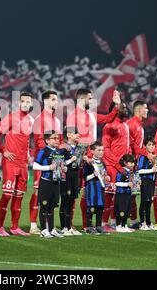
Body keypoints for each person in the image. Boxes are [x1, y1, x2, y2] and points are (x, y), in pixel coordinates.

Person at [66, 88, 121, 234]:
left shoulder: (90, 114)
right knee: (74, 193)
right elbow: (70, 138)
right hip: (79, 159)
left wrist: (116, 106)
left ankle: (87, 225)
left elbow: (108, 118)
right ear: (82, 99)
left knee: (89, 192)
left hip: (92, 159)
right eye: (90, 99)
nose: (92, 101)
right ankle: (69, 225)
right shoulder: (72, 116)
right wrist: (82, 156)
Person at [0, 92, 34, 237]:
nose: (25, 103)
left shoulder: (30, 119)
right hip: (10, 163)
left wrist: (28, 152)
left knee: (19, 196)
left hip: (23, 164)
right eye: (22, 101)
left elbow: (25, 139)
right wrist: (2, 150)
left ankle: (15, 227)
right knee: (7, 195)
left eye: (28, 101)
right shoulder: (12, 117)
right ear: (18, 103)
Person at [30, 90, 63, 235]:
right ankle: (33, 224)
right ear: (46, 101)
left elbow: (59, 141)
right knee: (39, 192)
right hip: (44, 160)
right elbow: (39, 141)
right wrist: (51, 155)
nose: (57, 102)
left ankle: (50, 226)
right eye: (54, 99)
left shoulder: (57, 120)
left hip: (55, 160)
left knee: (52, 196)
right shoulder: (39, 119)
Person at [101, 102, 131, 232]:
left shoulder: (125, 125)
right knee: (109, 196)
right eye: (123, 107)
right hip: (113, 167)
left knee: (118, 197)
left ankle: (114, 223)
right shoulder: (109, 126)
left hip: (123, 168)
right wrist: (118, 166)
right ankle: (103, 223)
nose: (126, 109)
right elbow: (106, 150)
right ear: (115, 109)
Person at [33, 130, 65, 238]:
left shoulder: (58, 152)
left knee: (52, 207)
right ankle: (43, 230)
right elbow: (35, 166)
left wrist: (63, 168)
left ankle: (51, 229)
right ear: (47, 140)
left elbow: (60, 166)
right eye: (54, 138)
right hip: (46, 182)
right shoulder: (43, 151)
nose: (57, 140)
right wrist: (48, 168)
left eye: (58, 138)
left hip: (56, 182)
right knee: (44, 206)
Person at [126, 101, 152, 229]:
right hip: (128, 164)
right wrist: (146, 154)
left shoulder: (139, 125)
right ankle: (116, 222)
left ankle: (133, 221)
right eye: (146, 108)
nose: (147, 110)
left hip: (134, 165)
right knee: (125, 193)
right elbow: (132, 147)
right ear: (139, 110)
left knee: (133, 193)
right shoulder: (131, 124)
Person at [59, 127, 83, 236]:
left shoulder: (79, 148)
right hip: (66, 177)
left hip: (75, 177)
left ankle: (69, 227)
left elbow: (77, 163)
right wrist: (70, 160)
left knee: (71, 202)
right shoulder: (63, 148)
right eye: (75, 133)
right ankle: (64, 227)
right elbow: (59, 162)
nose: (78, 135)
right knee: (65, 201)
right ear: (68, 135)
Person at [82, 141, 109, 235]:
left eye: (102, 150)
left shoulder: (102, 163)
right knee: (91, 207)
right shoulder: (89, 163)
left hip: (100, 188)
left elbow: (104, 175)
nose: (101, 152)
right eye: (99, 150)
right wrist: (93, 175)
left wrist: (106, 177)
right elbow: (85, 177)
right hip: (91, 188)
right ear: (92, 151)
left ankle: (98, 226)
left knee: (100, 207)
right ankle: (89, 227)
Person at [137, 137, 157, 231]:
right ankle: (142, 223)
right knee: (144, 202)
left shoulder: (155, 157)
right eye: (149, 145)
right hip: (145, 181)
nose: (151, 147)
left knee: (149, 202)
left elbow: (155, 170)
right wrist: (152, 170)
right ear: (145, 146)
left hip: (151, 181)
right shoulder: (143, 157)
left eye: (153, 145)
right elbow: (139, 171)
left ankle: (149, 222)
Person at [114, 154, 136, 233]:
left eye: (134, 162)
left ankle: (124, 225)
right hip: (121, 194)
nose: (133, 164)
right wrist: (127, 184)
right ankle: (118, 225)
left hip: (128, 194)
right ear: (125, 163)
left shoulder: (131, 172)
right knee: (121, 209)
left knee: (127, 210)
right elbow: (117, 183)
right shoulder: (121, 171)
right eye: (131, 162)